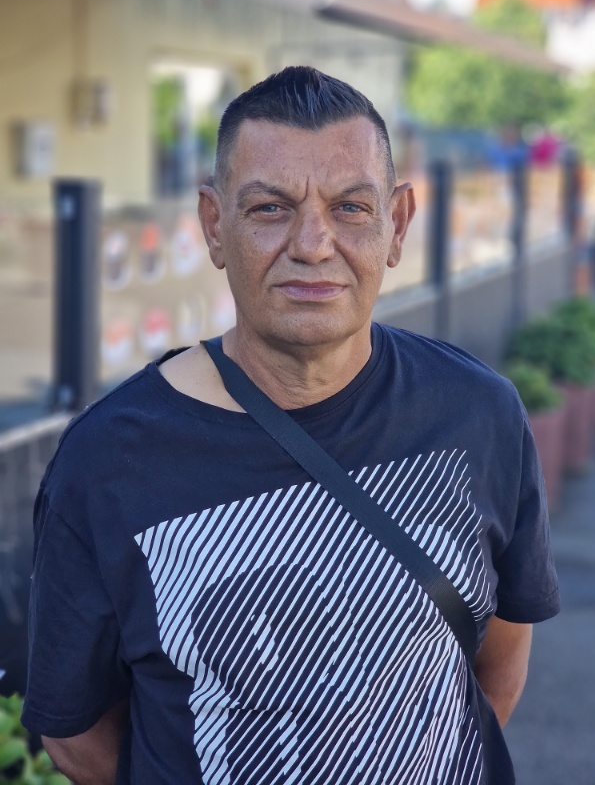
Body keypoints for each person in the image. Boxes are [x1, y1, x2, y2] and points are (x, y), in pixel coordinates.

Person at [22, 67, 559, 785]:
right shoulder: (107, 460)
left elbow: (495, 662)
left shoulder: (479, 413)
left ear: (397, 224)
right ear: (215, 226)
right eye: (271, 208)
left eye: (350, 207)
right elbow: (75, 734)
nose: (312, 243)